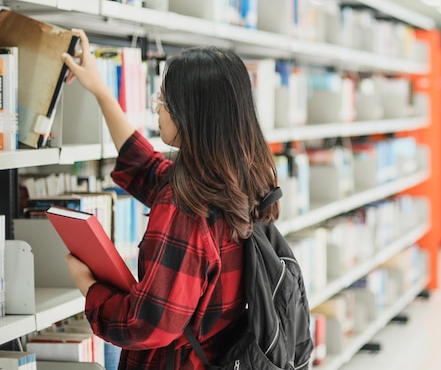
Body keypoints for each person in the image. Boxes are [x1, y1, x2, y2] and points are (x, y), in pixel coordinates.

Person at [62, 29, 280, 369]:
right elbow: (147, 167)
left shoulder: (185, 206)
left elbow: (147, 324)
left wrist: (88, 287)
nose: (157, 109)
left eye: (163, 101)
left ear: (192, 114)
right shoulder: (243, 179)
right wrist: (101, 91)